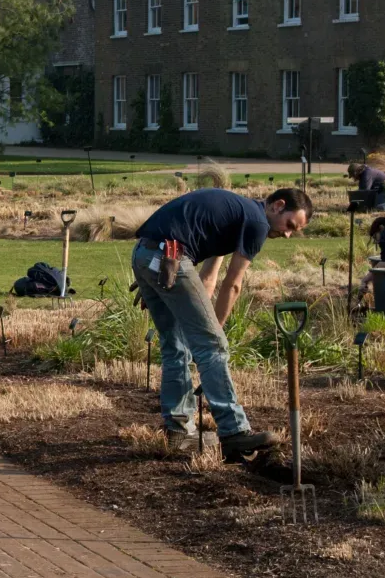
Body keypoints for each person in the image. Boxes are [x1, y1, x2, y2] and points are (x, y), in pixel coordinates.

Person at [131, 187, 313, 456]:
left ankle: (179, 432)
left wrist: (204, 324)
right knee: (213, 346)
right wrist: (214, 337)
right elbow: (233, 285)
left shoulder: (234, 216)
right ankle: (233, 431)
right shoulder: (257, 223)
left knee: (176, 345)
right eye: (289, 225)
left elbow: (208, 279)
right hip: (169, 259)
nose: (287, 234)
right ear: (277, 205)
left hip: (145, 254)